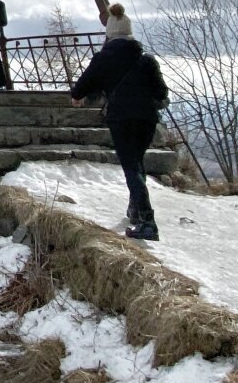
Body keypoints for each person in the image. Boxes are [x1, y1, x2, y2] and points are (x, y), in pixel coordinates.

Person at [69, 35, 169, 241]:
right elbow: (161, 92)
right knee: (136, 163)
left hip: (121, 119)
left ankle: (147, 221)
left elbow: (81, 87)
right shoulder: (146, 60)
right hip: (147, 119)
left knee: (131, 166)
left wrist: (80, 97)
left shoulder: (103, 60)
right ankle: (135, 209)